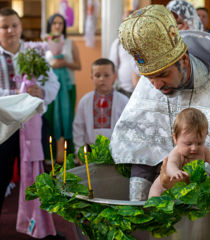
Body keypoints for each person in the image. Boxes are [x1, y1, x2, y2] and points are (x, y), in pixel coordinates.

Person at [111, 5, 210, 238]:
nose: (156, 87)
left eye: (163, 75)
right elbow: (137, 145)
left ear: (183, 60)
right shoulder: (153, 83)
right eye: (149, 79)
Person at [0, 8, 60, 239]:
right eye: (4, 26)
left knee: (38, 177)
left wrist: (40, 91)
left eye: (14, 25)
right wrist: (17, 95)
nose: (10, 31)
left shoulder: (34, 54)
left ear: (21, 27)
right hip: (4, 126)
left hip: (33, 124)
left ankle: (41, 230)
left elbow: (53, 85)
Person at [148, 108, 210, 198]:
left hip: (191, 186)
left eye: (200, 143)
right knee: (156, 190)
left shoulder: (204, 151)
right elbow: (171, 164)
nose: (194, 148)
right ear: (175, 138)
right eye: (188, 143)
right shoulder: (177, 152)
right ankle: (153, 209)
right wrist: (175, 172)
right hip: (168, 182)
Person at [45, 13, 81, 163]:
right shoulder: (45, 43)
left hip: (68, 87)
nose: (58, 26)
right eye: (55, 23)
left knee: (68, 120)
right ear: (50, 25)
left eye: (61, 23)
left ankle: (69, 158)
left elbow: (79, 65)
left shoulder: (70, 43)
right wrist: (51, 66)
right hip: (50, 89)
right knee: (50, 121)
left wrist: (64, 63)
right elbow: (42, 67)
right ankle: (49, 159)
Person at [73, 58, 128, 155]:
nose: (102, 79)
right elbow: (78, 126)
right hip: (90, 150)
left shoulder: (123, 100)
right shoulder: (85, 100)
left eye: (106, 75)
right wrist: (79, 150)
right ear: (91, 77)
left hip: (116, 150)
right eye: (97, 75)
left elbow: (128, 127)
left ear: (114, 77)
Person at [109, 10, 137, 98]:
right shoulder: (118, 43)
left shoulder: (145, 41)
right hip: (124, 91)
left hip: (142, 90)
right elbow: (113, 67)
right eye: (126, 21)